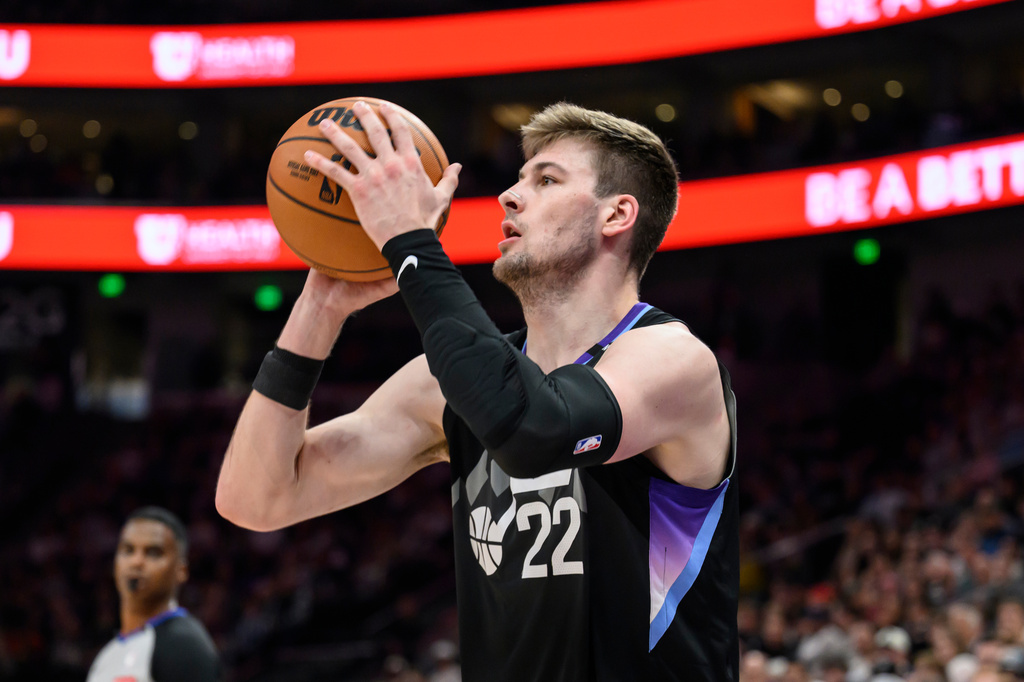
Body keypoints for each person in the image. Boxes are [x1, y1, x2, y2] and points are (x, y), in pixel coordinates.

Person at [216, 100, 738, 681]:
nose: (509, 197)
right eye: (517, 179)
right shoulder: (447, 387)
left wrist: (412, 241)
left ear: (616, 215)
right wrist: (320, 306)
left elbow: (536, 429)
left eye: (546, 180)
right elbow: (256, 499)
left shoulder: (673, 361)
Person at [87, 506, 221, 682]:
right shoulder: (106, 655)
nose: (137, 562)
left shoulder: (183, 643)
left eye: (153, 553)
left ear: (181, 570)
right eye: (128, 550)